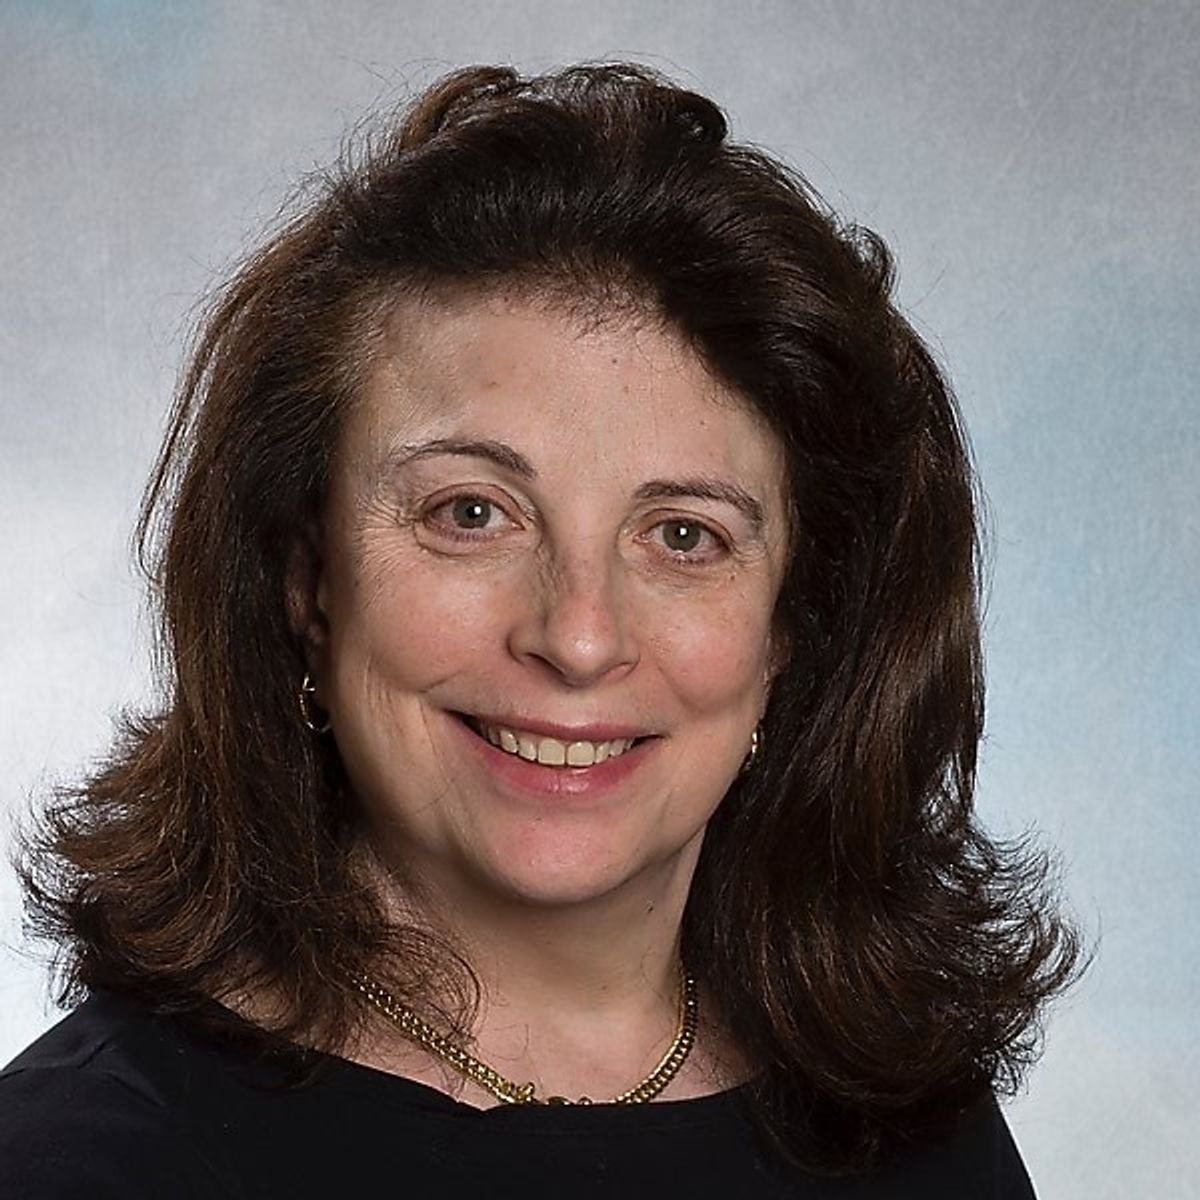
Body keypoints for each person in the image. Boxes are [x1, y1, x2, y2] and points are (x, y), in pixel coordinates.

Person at [0, 63, 1079, 1197]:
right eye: (472, 514)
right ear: (307, 584)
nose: (577, 637)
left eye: (684, 536)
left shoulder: (915, 1132)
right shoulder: (79, 1161)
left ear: (791, 631)